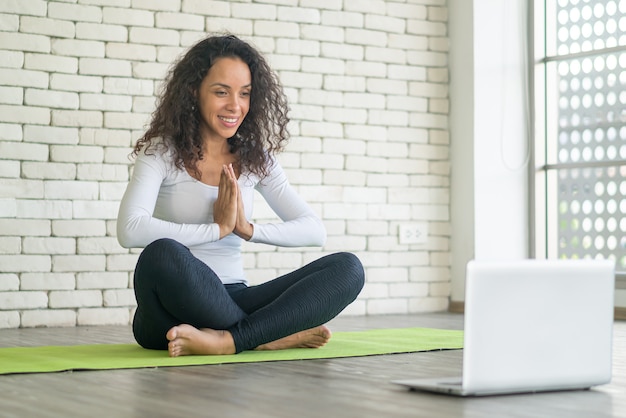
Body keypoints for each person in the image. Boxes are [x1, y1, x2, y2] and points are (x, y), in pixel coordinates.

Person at [116, 34, 365, 357]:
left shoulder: (256, 159)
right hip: (169, 310)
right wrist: (216, 229)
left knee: (348, 268)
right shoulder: (161, 153)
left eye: (244, 94)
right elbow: (130, 229)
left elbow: (314, 231)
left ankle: (229, 340)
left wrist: (247, 229)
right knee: (161, 254)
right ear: (194, 92)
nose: (235, 106)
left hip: (233, 298)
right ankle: (265, 336)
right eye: (221, 92)